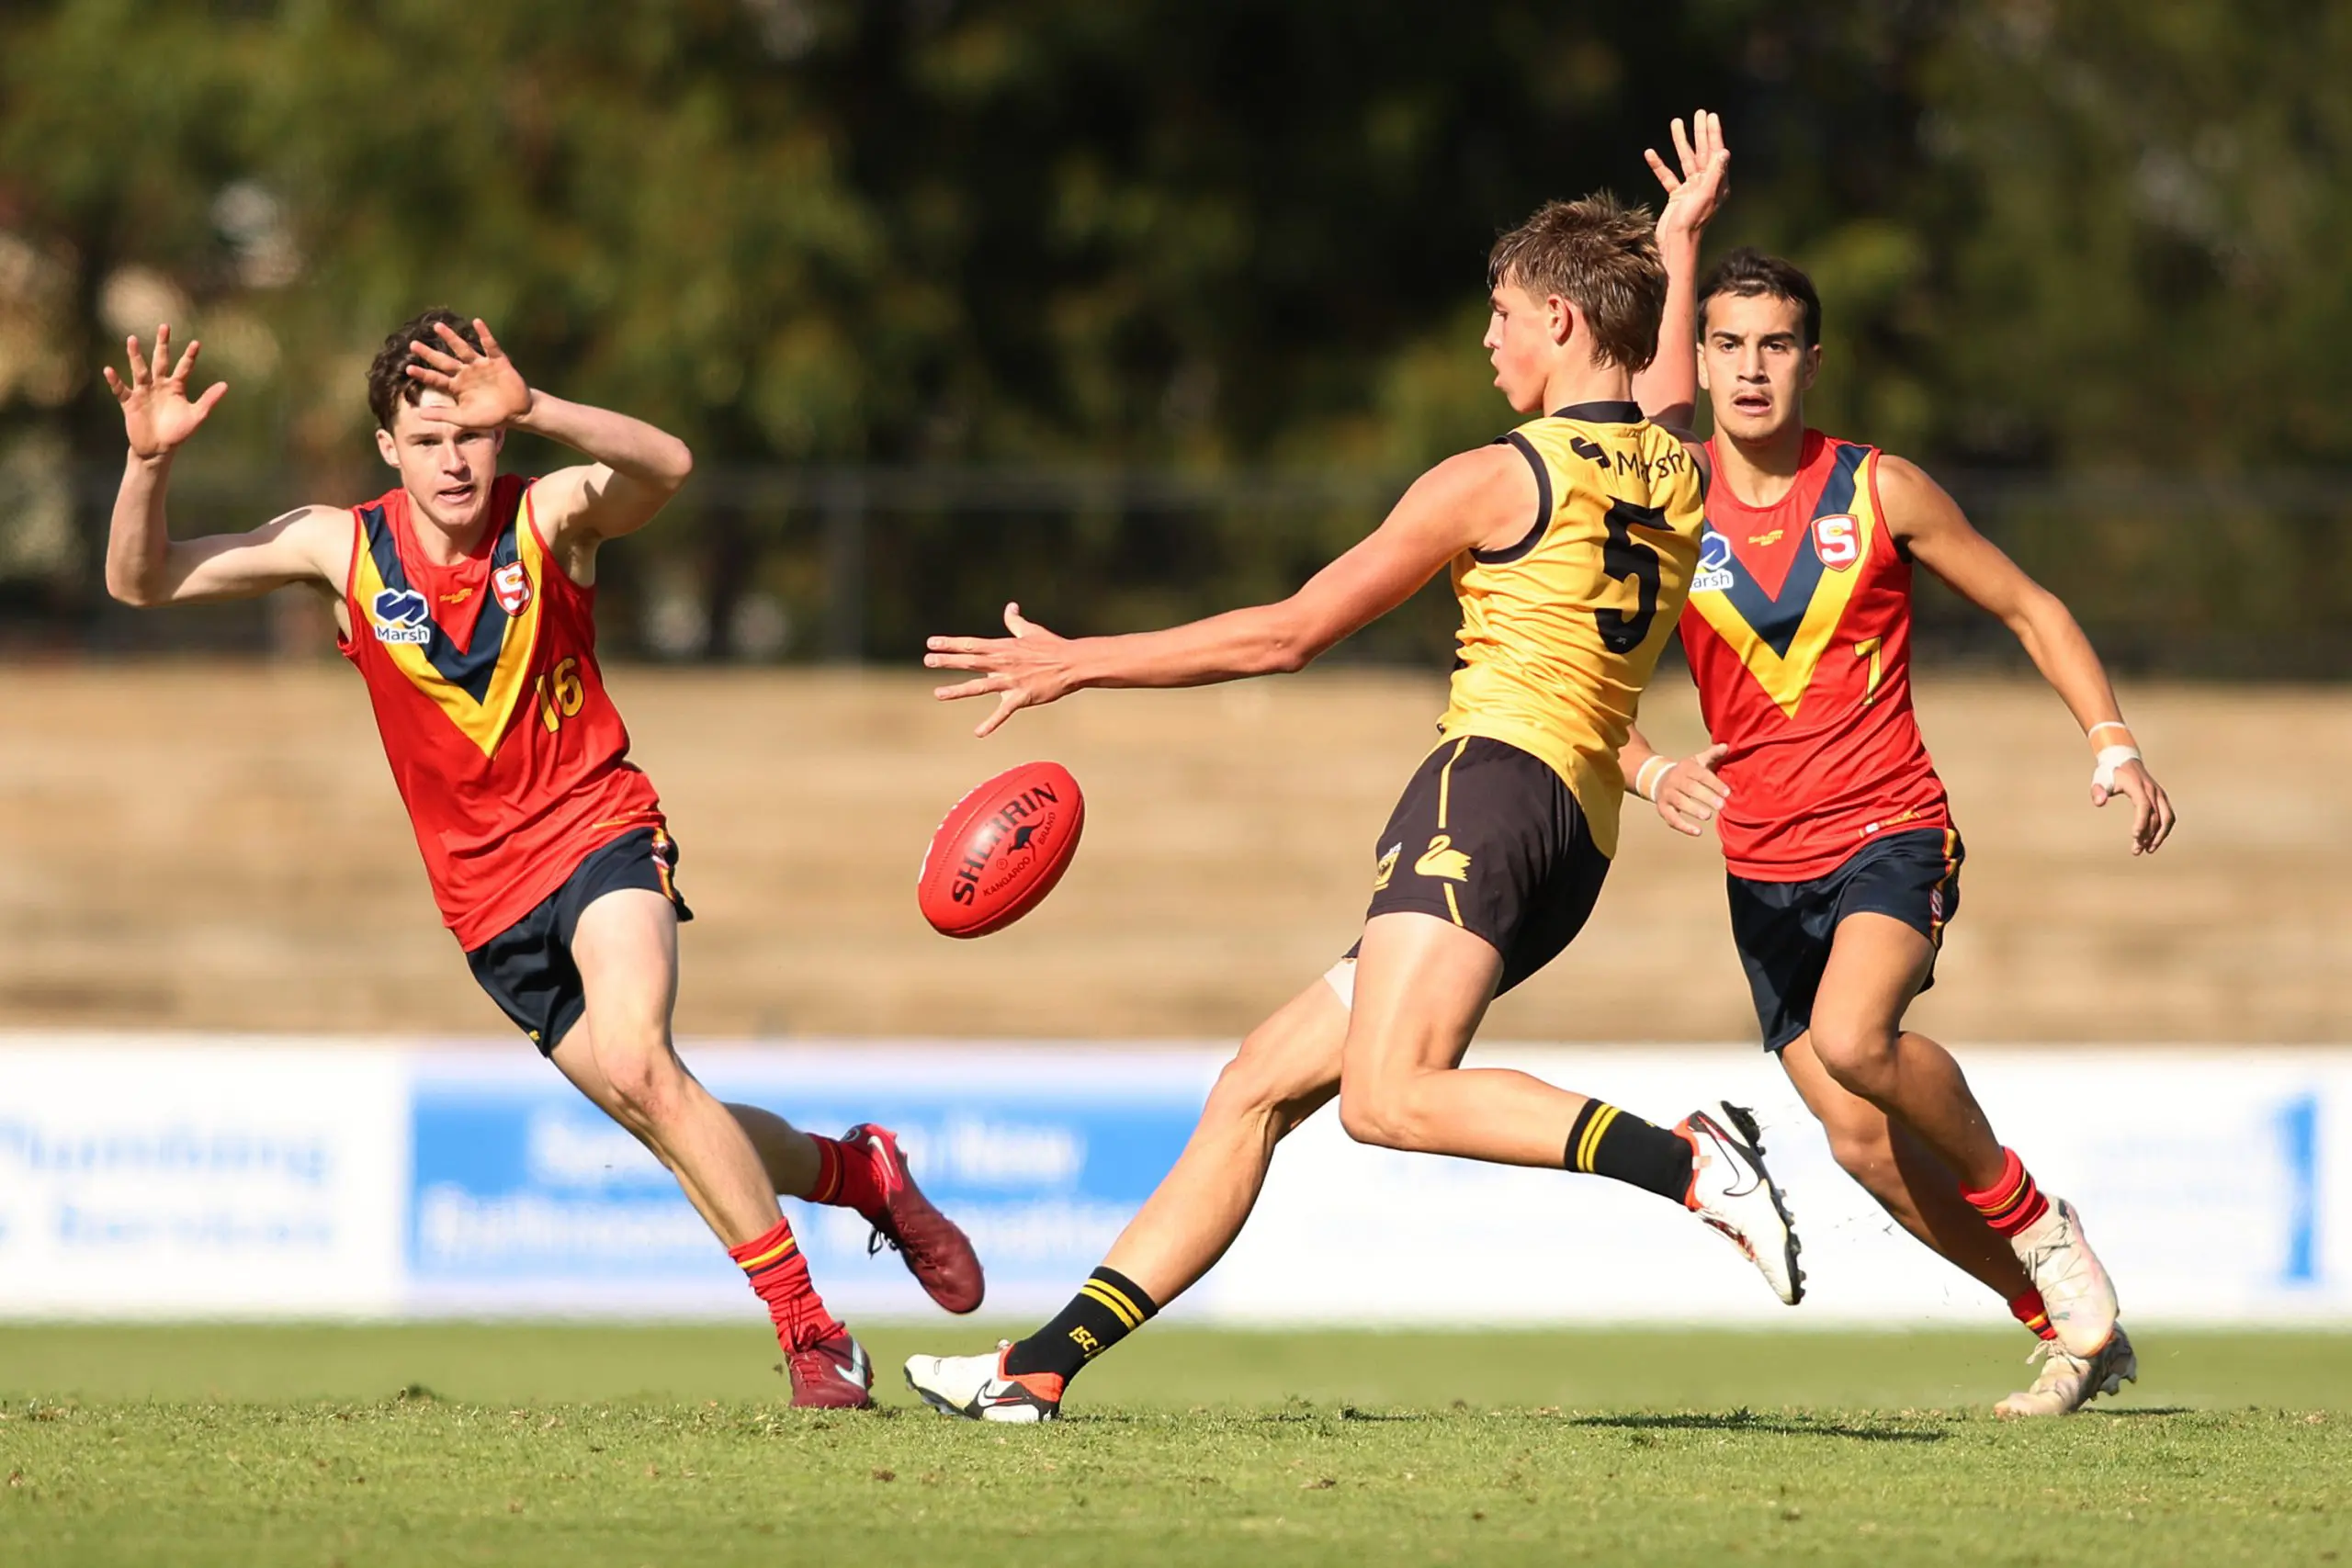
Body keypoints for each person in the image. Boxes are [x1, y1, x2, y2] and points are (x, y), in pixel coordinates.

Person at [905, 121, 1800, 1424]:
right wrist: (1677, 242)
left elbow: (1288, 633)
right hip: (1574, 843)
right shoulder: (1677, 460)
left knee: (1387, 1098)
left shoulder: (1494, 480)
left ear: (1557, 319)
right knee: (1259, 1084)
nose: (1489, 342)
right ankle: (1033, 1367)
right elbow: (1656, 379)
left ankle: (1690, 1163)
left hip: (1486, 789)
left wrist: (1078, 661)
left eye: (1502, 316)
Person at [100, 311, 982, 1407]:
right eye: (428, 440)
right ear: (388, 449)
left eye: (471, 433)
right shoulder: (341, 546)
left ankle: (813, 1336)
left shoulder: (549, 515)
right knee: (663, 1110)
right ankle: (862, 1173)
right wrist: (147, 465)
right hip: (485, 910)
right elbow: (141, 582)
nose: (456, 458)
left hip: (597, 832)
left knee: (640, 1059)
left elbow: (667, 465)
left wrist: (541, 410)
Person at [1618, 127, 2174, 1416]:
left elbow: (2033, 606)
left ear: (1813, 361)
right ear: (1698, 356)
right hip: (1762, 870)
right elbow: (1578, 687)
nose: (1751, 368)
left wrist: (2113, 739)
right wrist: (1649, 769)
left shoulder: (1879, 491)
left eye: (1776, 345)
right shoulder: (1666, 494)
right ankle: (2069, 1327)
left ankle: (2041, 1228)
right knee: (1864, 1141)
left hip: (1888, 830)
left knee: (1863, 1039)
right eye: (1727, 342)